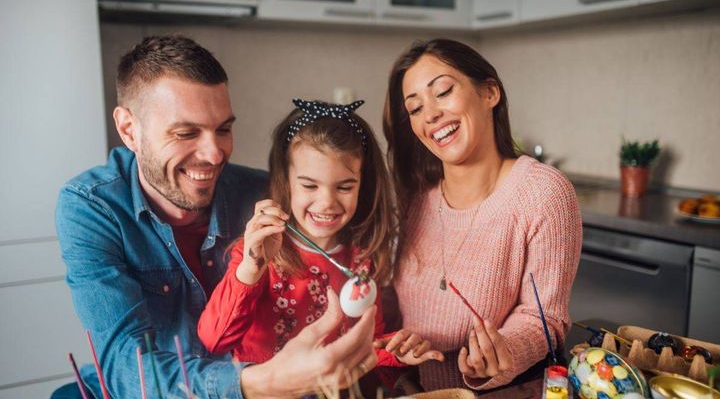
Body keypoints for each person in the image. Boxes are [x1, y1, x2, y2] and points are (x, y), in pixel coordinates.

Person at [54, 35, 377, 399]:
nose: (214, 154)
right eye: (186, 132)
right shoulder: (92, 207)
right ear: (129, 129)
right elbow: (126, 365)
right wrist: (261, 383)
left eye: (223, 129)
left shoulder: (265, 196)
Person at [382, 39, 582, 392]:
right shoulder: (414, 198)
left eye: (442, 91)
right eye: (414, 109)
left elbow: (545, 318)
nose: (430, 115)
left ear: (489, 92)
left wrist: (502, 350)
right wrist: (395, 344)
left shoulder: (543, 192)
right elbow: (398, 310)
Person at [197, 99, 443, 375]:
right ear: (286, 181)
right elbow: (214, 340)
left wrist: (396, 350)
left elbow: (365, 344)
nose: (326, 202)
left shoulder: (362, 259)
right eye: (310, 185)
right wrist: (252, 267)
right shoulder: (256, 254)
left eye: (345, 187)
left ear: (363, 185)